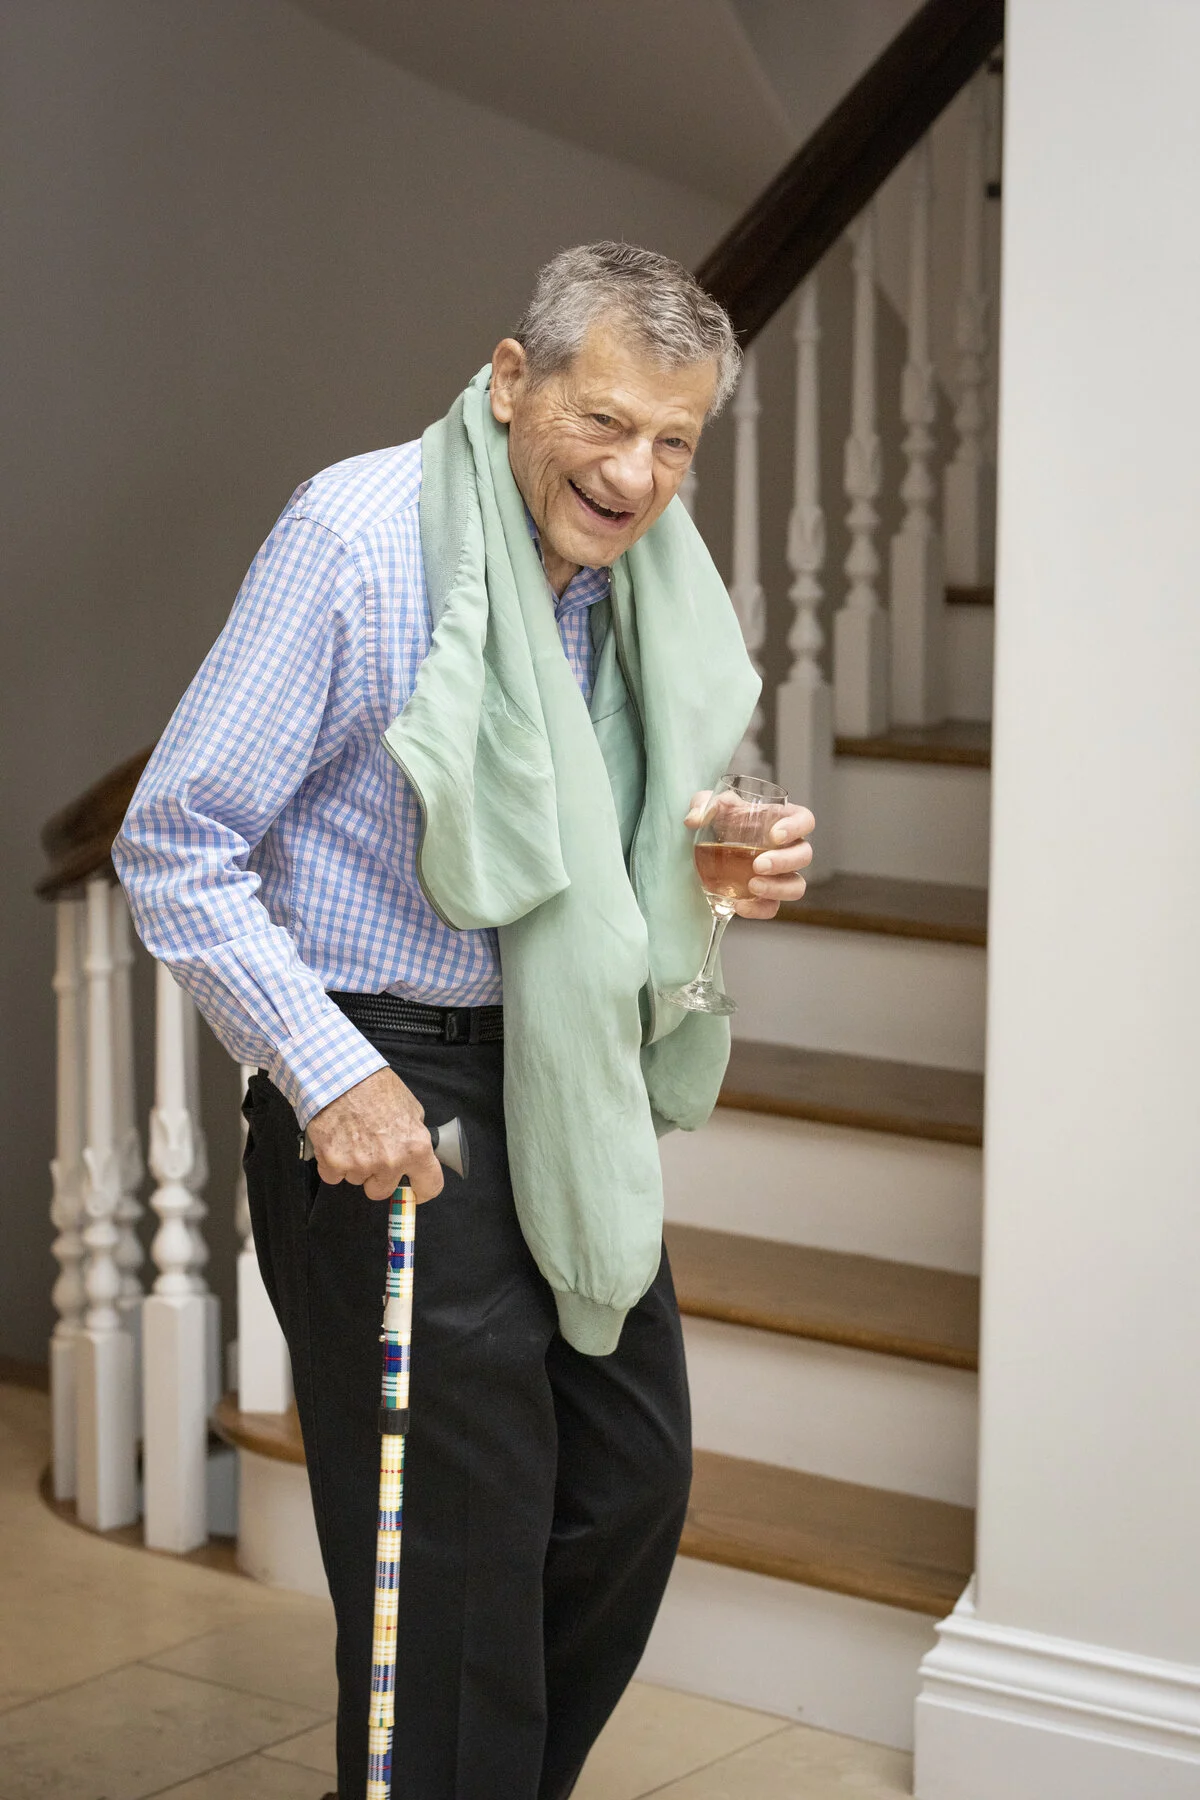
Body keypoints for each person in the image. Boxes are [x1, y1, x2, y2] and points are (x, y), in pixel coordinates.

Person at [115, 242, 814, 1800]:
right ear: (513, 382)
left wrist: (711, 850)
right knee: (449, 1567)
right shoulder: (360, 538)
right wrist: (328, 1074)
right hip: (387, 1094)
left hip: (566, 1089)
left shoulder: (641, 578)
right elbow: (175, 840)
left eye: (675, 442)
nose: (636, 476)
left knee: (626, 1492)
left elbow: (614, 814)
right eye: (606, 422)